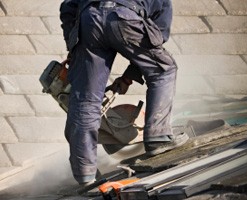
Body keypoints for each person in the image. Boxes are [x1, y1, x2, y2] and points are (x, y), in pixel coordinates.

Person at [60, 0, 189, 187]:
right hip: (126, 16)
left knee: (86, 100)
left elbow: (68, 7)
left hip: (89, 21)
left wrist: (73, 47)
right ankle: (158, 137)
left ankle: (84, 174)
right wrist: (134, 71)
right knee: (163, 70)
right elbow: (156, 38)